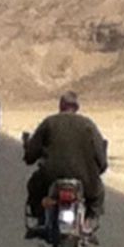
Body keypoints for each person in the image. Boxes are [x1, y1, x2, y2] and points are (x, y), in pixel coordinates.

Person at [23, 91, 108, 233]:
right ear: (77, 107)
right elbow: (101, 157)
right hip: (84, 178)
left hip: (50, 176)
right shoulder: (88, 125)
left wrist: (29, 154)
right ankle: (89, 221)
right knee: (98, 192)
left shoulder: (49, 123)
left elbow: (32, 153)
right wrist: (99, 168)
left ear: (61, 105)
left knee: (34, 186)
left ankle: (39, 215)